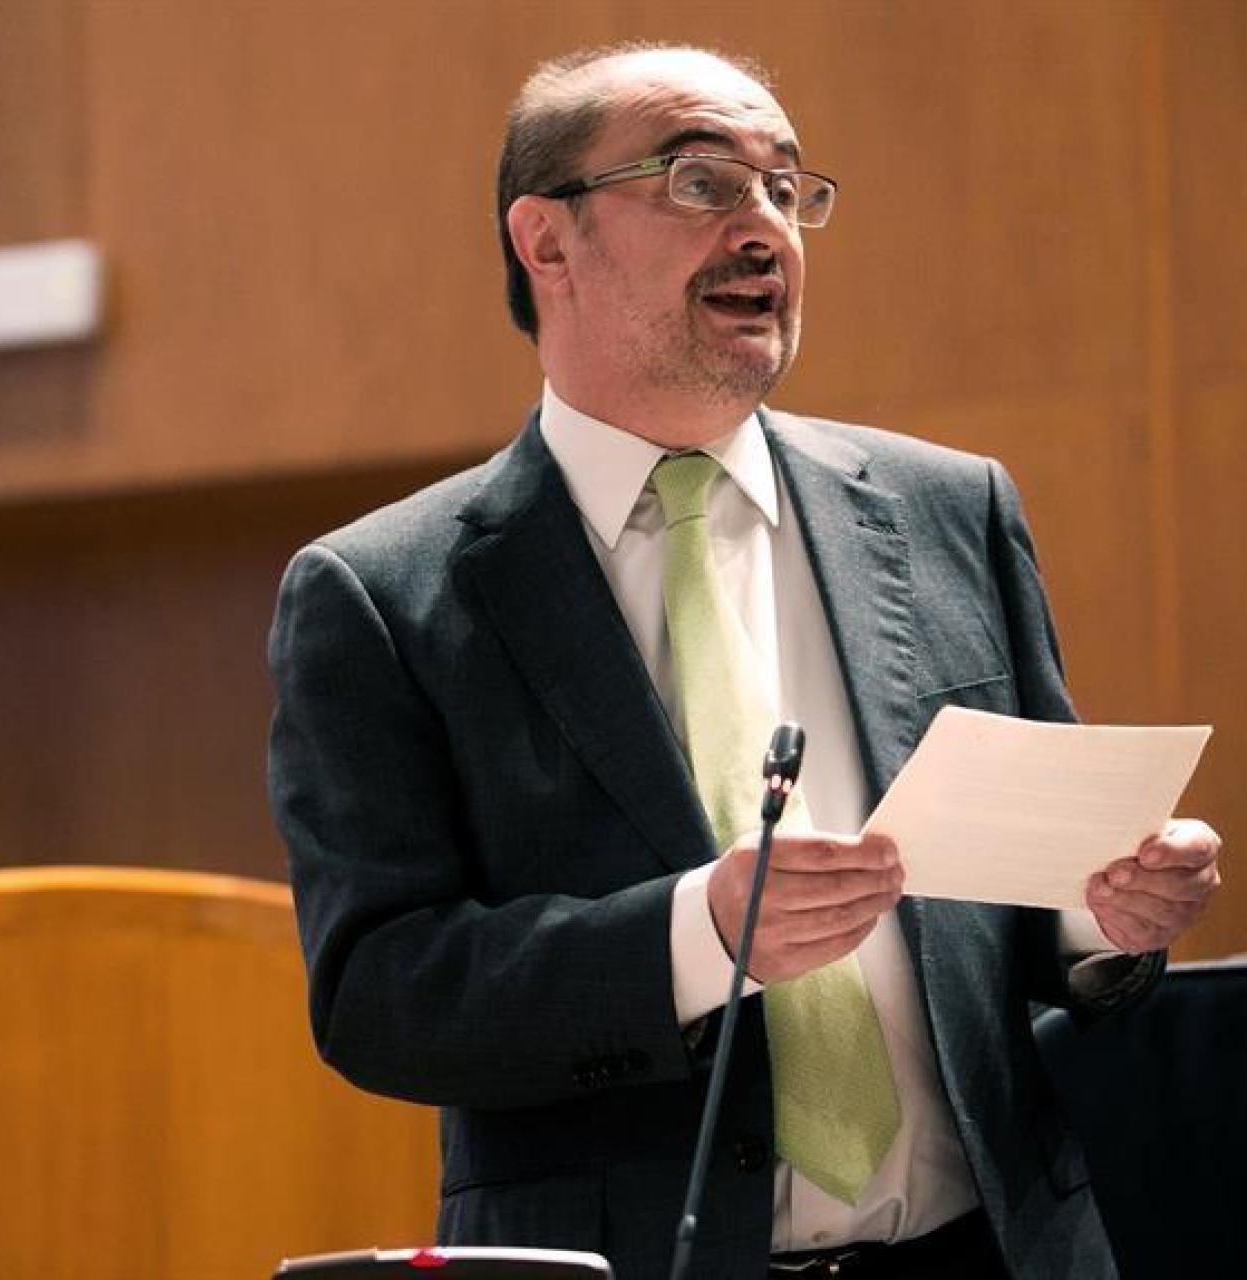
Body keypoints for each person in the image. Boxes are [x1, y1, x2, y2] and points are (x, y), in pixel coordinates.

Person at [266, 43, 1221, 1280]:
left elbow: (1029, 913)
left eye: (786, 187)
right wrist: (692, 934)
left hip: (990, 1248)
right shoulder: (385, 594)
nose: (764, 226)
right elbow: (378, 995)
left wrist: (1103, 914)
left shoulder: (948, 510)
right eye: (701, 182)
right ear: (544, 241)